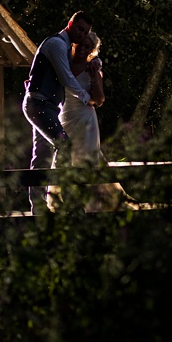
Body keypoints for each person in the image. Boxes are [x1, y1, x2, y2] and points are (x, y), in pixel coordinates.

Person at [50, 31, 135, 212]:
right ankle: (61, 202)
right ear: (75, 43)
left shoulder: (92, 69)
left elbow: (99, 99)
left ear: (92, 50)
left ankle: (91, 204)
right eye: (81, 43)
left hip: (86, 118)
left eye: (87, 46)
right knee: (64, 155)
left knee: (87, 158)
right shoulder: (63, 63)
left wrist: (95, 76)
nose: (82, 48)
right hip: (65, 115)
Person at [22, 10, 95, 216]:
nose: (82, 34)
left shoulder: (63, 47)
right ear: (70, 24)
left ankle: (38, 206)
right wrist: (85, 97)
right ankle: (63, 199)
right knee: (64, 145)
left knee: (42, 156)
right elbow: (66, 78)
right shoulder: (56, 44)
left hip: (48, 106)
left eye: (85, 32)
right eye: (80, 29)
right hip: (39, 104)